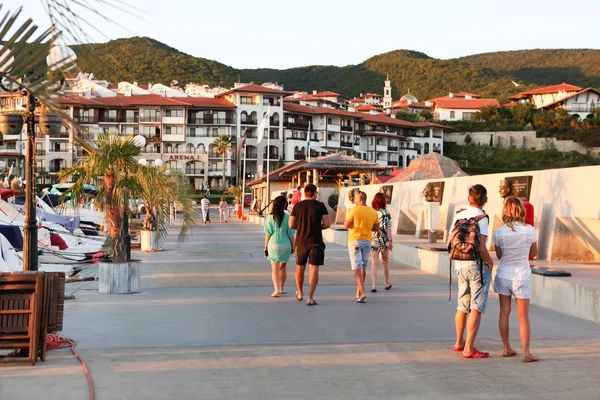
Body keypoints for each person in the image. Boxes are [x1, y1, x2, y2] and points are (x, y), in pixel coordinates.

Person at [450, 184, 494, 359]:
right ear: (485, 200)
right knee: (476, 306)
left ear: (469, 198)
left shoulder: (459, 215)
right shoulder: (482, 218)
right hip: (476, 265)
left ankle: (459, 342)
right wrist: (490, 263)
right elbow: (482, 247)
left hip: (460, 264)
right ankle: (468, 348)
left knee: (462, 305)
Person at [493, 197, 539, 363]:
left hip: (504, 274)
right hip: (522, 275)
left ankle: (506, 348)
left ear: (505, 211)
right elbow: (534, 253)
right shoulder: (530, 230)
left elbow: (499, 255)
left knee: (504, 312)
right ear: (521, 210)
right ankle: (526, 352)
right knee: (523, 316)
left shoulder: (499, 232)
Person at [289, 183, 330, 306]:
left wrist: (300, 227)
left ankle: (300, 292)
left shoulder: (297, 206)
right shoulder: (320, 206)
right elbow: (327, 224)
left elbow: (291, 224)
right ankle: (310, 297)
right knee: (314, 269)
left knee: (300, 267)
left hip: (301, 241)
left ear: (304, 193)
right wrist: (318, 227)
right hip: (316, 241)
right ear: (315, 193)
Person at [344, 191, 379, 303]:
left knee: (356, 267)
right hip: (367, 241)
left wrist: (354, 225)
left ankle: (362, 291)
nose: (354, 200)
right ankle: (359, 290)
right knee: (363, 266)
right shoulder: (373, 212)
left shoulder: (354, 210)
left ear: (359, 199)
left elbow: (346, 225)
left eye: (355, 198)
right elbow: (376, 228)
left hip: (355, 241)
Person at [264, 196, 296, 297]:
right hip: (285, 243)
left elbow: (268, 233)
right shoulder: (288, 217)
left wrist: (265, 247)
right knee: (283, 267)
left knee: (274, 269)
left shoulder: (269, 217)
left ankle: (276, 290)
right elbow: (291, 234)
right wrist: (293, 246)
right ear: (284, 205)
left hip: (273, 244)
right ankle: (282, 288)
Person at [370, 192, 393, 292]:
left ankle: (374, 285)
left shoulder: (372, 212)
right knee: (385, 262)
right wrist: (390, 241)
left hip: (374, 239)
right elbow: (388, 228)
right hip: (384, 240)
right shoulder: (386, 213)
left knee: (374, 263)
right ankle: (386, 283)